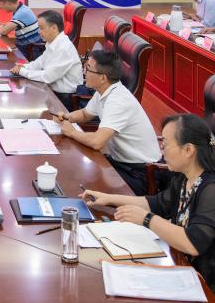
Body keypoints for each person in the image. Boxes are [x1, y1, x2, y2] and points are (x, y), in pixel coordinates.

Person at [82, 114, 215, 303]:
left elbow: (193, 243)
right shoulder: (186, 178)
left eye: (165, 144)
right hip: (191, 278)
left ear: (188, 150)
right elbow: (155, 203)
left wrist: (147, 220)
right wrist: (107, 198)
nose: (162, 149)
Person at [56, 50, 161, 195]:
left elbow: (97, 142)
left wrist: (72, 132)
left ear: (102, 78)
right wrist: (67, 117)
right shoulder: (104, 91)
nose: (84, 72)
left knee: (83, 179)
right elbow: (85, 114)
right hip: (120, 162)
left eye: (88, 68)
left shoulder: (118, 100)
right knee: (78, 169)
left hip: (141, 173)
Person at [10, 10, 83, 107]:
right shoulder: (53, 42)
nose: (39, 32)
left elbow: (47, 77)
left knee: (26, 104)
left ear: (54, 28)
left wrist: (22, 71)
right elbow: (39, 63)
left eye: (41, 28)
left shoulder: (64, 48)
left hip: (65, 99)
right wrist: (24, 67)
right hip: (52, 92)